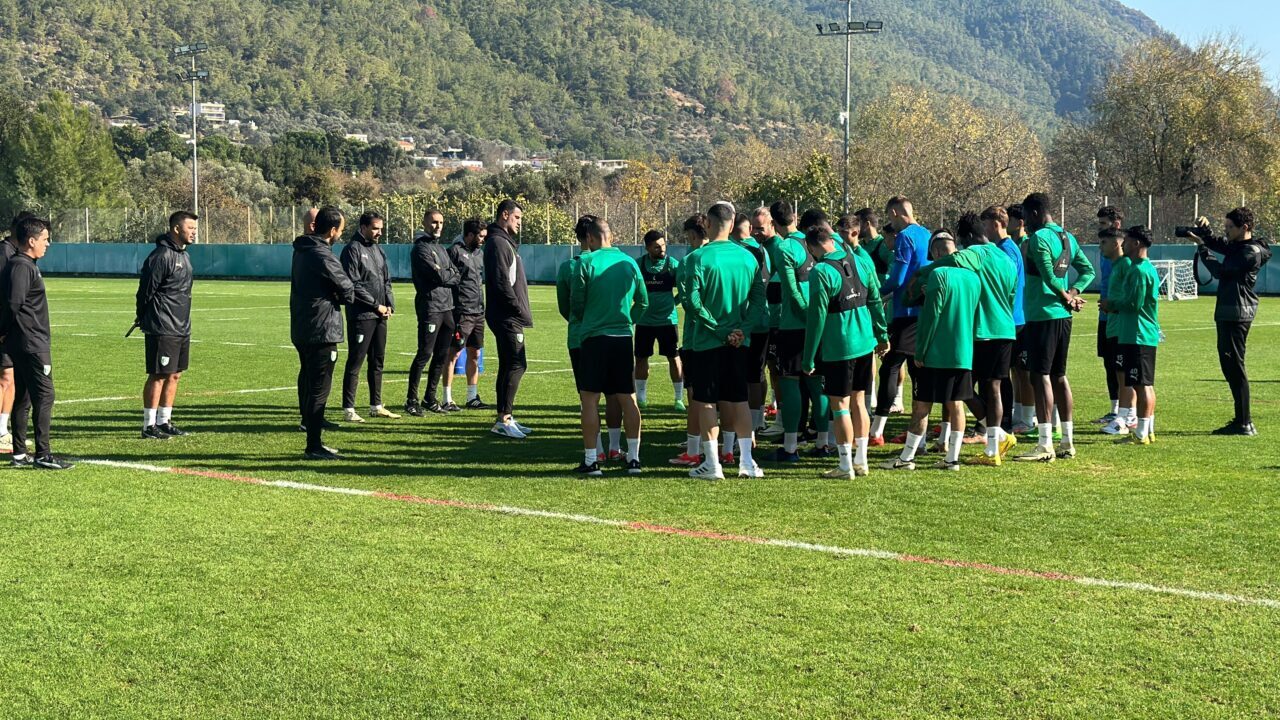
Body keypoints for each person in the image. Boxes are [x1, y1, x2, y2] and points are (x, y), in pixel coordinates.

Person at [921, 212, 1019, 465]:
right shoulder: (1005, 257)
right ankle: (995, 445)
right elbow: (1010, 295)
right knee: (993, 387)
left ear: (967, 237)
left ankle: (993, 440)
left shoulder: (972, 254)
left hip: (980, 331)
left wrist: (921, 277)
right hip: (1005, 329)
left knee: (960, 390)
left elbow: (945, 264)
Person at [882, 231, 979, 472]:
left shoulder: (938, 274)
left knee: (921, 405)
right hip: (962, 352)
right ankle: (952, 459)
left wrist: (921, 352)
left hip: (936, 352)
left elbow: (932, 317)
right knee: (957, 404)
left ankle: (906, 458)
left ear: (935, 254)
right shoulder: (973, 278)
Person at [684, 202, 766, 480]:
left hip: (707, 342)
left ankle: (712, 464)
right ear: (732, 225)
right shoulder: (748, 258)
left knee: (707, 401)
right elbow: (758, 303)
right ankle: (746, 462)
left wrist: (719, 331)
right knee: (738, 400)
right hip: (738, 342)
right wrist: (741, 329)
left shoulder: (697, 258)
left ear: (707, 224)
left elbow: (692, 302)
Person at [802, 226, 889, 479]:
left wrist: (808, 358)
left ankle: (844, 465)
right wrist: (881, 334)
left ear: (811, 247)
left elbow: (816, 318)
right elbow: (874, 298)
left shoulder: (821, 271)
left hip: (839, 346)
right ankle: (861, 460)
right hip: (865, 342)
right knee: (859, 401)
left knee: (839, 405)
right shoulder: (859, 260)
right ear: (832, 241)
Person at [1014, 192, 1095, 463]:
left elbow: (1048, 276)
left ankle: (1045, 443)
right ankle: (1067, 442)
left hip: (1042, 314)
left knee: (1041, 376)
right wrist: (1074, 291)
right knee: (1059, 376)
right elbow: (1088, 271)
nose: (1024, 222)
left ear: (1035, 213)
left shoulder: (1039, 238)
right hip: (1063, 316)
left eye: (1025, 216)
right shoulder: (1067, 237)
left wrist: (1067, 296)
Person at [570, 216, 649, 475]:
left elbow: (577, 304)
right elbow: (643, 302)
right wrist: (628, 321)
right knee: (628, 398)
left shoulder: (585, 262)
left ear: (590, 238)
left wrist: (589, 320)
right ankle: (634, 459)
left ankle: (592, 461)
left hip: (594, 338)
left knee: (589, 400)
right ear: (611, 236)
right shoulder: (629, 263)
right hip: (623, 338)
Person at [1191, 207, 1272, 436]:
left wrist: (1202, 247)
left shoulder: (1249, 252)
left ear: (1244, 228)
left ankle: (1245, 422)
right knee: (1230, 366)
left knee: (1235, 366)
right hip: (1229, 311)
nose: (1225, 231)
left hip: (1237, 312)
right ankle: (1241, 420)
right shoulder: (1241, 247)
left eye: (1229, 227)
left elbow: (1220, 270)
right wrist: (1205, 233)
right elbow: (1222, 245)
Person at [1, 215, 72, 469]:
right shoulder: (22, 266)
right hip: (31, 342)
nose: (48, 244)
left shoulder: (25, 264)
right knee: (45, 395)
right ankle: (43, 454)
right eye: (45, 239)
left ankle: (20, 454)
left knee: (24, 397)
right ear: (31, 240)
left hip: (25, 341)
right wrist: (3, 331)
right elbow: (13, 304)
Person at [291, 206, 355, 460]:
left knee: (308, 381)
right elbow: (347, 287)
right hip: (322, 329)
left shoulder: (302, 250)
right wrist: (340, 296)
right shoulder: (322, 254)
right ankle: (314, 445)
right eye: (341, 230)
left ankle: (312, 434)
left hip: (303, 327)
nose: (341, 234)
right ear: (331, 230)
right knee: (319, 387)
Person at [765, 201, 825, 461]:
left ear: (774, 224)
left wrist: (805, 315)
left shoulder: (784, 247)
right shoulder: (819, 240)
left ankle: (790, 447)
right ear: (796, 217)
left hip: (793, 326)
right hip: (821, 323)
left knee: (789, 384)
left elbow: (791, 290)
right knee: (817, 385)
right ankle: (824, 443)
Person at [871, 196, 932, 447]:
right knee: (919, 370)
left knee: (890, 366)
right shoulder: (927, 234)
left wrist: (876, 295)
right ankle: (920, 435)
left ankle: (877, 430)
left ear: (895, 213)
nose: (890, 225)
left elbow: (897, 278)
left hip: (906, 314)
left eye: (889, 218)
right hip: (924, 312)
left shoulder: (905, 236)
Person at [136, 211, 197, 441]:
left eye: (194, 228)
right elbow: (146, 291)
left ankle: (164, 420)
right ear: (176, 229)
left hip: (182, 326)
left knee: (175, 375)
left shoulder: (184, 256)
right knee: (159, 375)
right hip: (163, 325)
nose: (194, 231)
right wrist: (143, 316)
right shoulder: (161, 256)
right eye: (190, 227)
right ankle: (148, 425)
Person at [1100, 226, 1160, 446]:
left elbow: (1134, 303)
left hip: (1138, 334)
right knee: (1141, 383)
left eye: (1126, 241)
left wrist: (1110, 305)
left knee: (1142, 385)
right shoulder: (1138, 267)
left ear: (1136, 244)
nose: (1122, 244)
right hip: (1135, 334)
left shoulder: (1140, 270)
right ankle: (1147, 430)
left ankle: (1141, 432)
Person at [340, 211, 398, 423]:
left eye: (381, 228)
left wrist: (389, 304)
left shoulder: (378, 249)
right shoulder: (352, 250)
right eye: (375, 228)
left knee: (377, 361)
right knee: (356, 361)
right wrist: (376, 305)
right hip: (362, 315)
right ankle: (348, 409)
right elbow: (353, 284)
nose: (379, 232)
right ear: (362, 227)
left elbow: (386, 280)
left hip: (380, 315)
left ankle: (376, 405)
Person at [484, 199, 534, 438]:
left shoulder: (504, 243)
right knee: (516, 364)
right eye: (517, 218)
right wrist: (516, 309)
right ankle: (503, 419)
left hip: (507, 314)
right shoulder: (497, 243)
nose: (519, 223)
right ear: (505, 215)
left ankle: (506, 417)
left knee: (510, 364)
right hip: (506, 315)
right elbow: (501, 282)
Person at [406, 209, 460, 416]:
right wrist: (446, 274)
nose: (438, 226)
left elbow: (456, 274)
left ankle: (430, 397)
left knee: (441, 355)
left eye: (441, 222)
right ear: (425, 223)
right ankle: (411, 400)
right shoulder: (420, 249)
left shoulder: (441, 249)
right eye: (434, 222)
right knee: (424, 354)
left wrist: (446, 274)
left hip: (448, 307)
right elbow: (438, 277)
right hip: (430, 307)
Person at [670, 214, 711, 468]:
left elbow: (688, 300)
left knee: (697, 396)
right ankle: (729, 449)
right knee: (730, 397)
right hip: (732, 336)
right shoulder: (738, 255)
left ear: (694, 235)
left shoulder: (690, 261)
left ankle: (694, 450)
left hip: (699, 338)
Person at [981, 205, 1026, 434]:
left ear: (996, 224)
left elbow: (1007, 286)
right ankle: (1000, 421)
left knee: (998, 376)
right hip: (1010, 318)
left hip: (1008, 319)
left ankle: (1002, 422)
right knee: (1001, 374)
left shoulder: (1007, 250)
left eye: (986, 225)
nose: (984, 230)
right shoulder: (1007, 248)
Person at [634, 229, 684, 411]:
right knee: (640, 358)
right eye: (657, 247)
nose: (662, 249)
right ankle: (641, 398)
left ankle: (678, 398)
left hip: (667, 321)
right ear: (647, 248)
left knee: (674, 357)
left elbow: (685, 289)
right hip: (644, 322)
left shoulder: (673, 265)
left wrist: (674, 302)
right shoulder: (638, 266)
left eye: (663, 245)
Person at [443, 219, 489, 411]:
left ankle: (472, 397)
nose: (483, 240)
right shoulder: (454, 251)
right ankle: (447, 398)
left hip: (479, 311)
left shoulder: (480, 253)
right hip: (462, 312)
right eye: (480, 236)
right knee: (453, 354)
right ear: (469, 235)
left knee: (475, 353)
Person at [1097, 229, 1137, 437]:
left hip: (1123, 329)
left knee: (1124, 375)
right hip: (1114, 327)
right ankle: (1126, 415)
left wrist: (1110, 305)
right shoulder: (1116, 266)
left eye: (1104, 243)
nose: (1100, 247)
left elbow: (1130, 299)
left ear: (1116, 244)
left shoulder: (1126, 266)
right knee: (1118, 372)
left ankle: (1126, 418)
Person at [1093, 206, 1125, 425]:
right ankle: (1114, 408)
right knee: (1108, 362)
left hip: (1118, 316)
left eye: (1104, 224)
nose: (1100, 229)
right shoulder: (1105, 253)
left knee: (1120, 365)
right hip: (1105, 316)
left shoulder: (1124, 257)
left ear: (1116, 224)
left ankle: (1126, 413)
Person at [748, 207, 778, 435]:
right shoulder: (760, 248)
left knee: (774, 370)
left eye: (760, 228)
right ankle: (764, 413)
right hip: (766, 319)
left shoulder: (778, 248)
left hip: (775, 321)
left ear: (772, 225)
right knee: (762, 369)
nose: (756, 232)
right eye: (753, 228)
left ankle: (774, 417)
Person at [0, 215, 27, 453]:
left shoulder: (17, 256)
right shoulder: (5, 254)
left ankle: (3, 431)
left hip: (14, 329)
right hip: (5, 328)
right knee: (5, 377)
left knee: (10, 378)